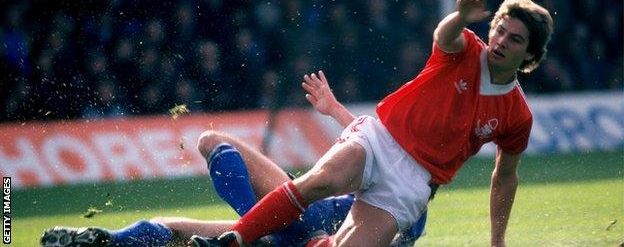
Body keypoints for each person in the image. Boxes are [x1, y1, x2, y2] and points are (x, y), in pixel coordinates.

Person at [198, 0, 553, 246]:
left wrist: (498, 241)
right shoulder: (466, 49)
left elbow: (505, 178)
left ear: (530, 55)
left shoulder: (516, 115)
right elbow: (444, 34)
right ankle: (236, 240)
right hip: (380, 138)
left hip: (414, 182)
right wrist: (460, 16)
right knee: (320, 181)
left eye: (515, 39)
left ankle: (306, 242)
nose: (502, 40)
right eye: (500, 29)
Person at [40, 71, 428, 247]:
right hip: (301, 219)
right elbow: (373, 143)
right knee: (209, 144)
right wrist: (335, 109)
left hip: (315, 218)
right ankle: (106, 240)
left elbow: (373, 157)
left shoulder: (403, 190)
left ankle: (247, 230)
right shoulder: (409, 181)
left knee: (179, 219)